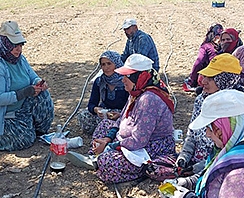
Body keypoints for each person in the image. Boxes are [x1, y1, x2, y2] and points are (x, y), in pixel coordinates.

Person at [69, 54, 175, 184]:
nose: (123, 80)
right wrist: (108, 138)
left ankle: (108, 161)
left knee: (108, 163)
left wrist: (110, 146)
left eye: (127, 76)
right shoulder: (136, 92)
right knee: (105, 124)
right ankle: (96, 156)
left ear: (140, 78)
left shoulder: (149, 100)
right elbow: (122, 119)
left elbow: (139, 140)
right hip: (128, 140)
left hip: (150, 146)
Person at [0, 21, 55, 151]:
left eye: (20, 45)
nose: (18, 49)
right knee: (24, 141)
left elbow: (32, 76)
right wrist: (23, 93)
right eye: (14, 45)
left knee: (43, 95)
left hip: (20, 109)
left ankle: (36, 130)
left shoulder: (20, 59)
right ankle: (4, 136)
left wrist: (38, 83)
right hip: (4, 117)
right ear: (5, 44)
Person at [176, 53, 244, 174]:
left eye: (210, 79)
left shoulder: (238, 107)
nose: (203, 81)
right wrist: (184, 157)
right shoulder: (201, 100)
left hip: (220, 165)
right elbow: (192, 134)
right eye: (204, 76)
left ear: (224, 80)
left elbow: (230, 150)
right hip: (195, 161)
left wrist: (198, 168)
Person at [76, 51, 129, 135]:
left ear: (116, 64)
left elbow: (132, 106)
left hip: (122, 113)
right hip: (105, 112)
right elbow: (92, 104)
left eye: (109, 64)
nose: (106, 67)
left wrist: (120, 114)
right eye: (103, 64)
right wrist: (96, 110)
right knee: (83, 115)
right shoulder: (100, 81)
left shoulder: (126, 81)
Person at [183, 23, 223, 92]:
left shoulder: (206, 46)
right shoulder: (226, 48)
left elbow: (198, 63)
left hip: (210, 76)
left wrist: (192, 81)